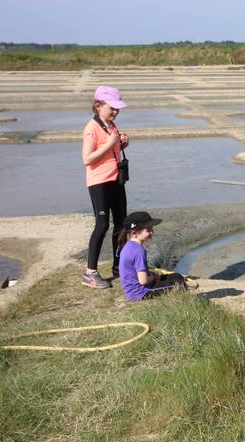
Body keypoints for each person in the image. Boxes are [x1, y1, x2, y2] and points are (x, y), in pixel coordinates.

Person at [81, 85, 130, 288]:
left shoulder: (111, 124)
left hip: (116, 180)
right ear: (98, 106)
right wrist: (110, 144)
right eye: (112, 108)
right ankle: (90, 272)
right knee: (102, 225)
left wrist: (122, 144)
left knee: (121, 225)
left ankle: (119, 266)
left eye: (117, 108)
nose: (115, 111)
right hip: (99, 182)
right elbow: (86, 159)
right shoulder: (91, 128)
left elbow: (112, 150)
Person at [116, 211, 188, 301]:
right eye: (148, 230)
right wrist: (153, 277)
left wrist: (151, 275)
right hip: (141, 292)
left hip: (133, 291)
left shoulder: (128, 246)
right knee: (178, 283)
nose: (152, 232)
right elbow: (143, 281)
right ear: (134, 232)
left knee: (176, 276)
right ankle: (183, 303)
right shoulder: (138, 251)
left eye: (152, 229)